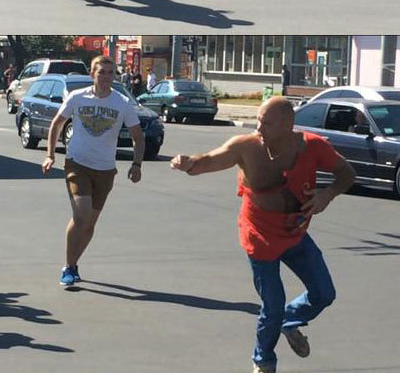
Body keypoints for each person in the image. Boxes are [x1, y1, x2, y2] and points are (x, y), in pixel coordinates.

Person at [171, 94, 355, 373]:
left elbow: (346, 173)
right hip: (259, 236)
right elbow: (209, 160)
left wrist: (327, 194)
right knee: (273, 305)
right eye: (257, 121)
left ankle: (289, 321)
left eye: (266, 124)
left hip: (296, 234)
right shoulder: (246, 147)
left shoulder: (312, 147)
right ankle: (264, 361)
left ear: (288, 125)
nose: (258, 128)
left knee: (324, 293)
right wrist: (189, 163)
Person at [42, 54, 145, 289]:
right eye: (102, 72)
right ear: (92, 75)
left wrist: (136, 164)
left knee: (89, 225)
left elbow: (139, 137)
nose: (107, 77)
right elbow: (57, 123)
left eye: (111, 73)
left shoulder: (121, 102)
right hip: (77, 163)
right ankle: (68, 267)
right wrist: (50, 154)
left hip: (105, 170)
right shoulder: (77, 97)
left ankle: (74, 264)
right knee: (81, 216)